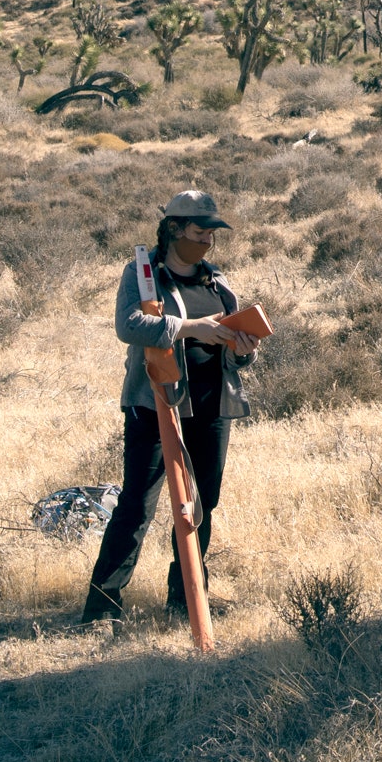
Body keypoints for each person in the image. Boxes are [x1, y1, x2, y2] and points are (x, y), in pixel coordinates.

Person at [82, 189, 258, 624]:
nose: (207, 242)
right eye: (200, 232)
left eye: (212, 234)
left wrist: (244, 347)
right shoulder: (143, 276)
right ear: (175, 229)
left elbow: (235, 353)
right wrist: (189, 326)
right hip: (156, 403)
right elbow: (129, 324)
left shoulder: (217, 281)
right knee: (137, 506)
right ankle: (102, 609)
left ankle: (185, 601)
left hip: (212, 405)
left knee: (203, 504)